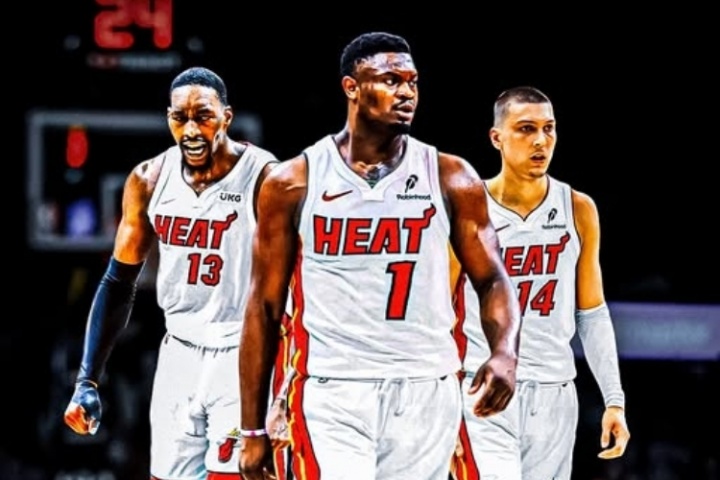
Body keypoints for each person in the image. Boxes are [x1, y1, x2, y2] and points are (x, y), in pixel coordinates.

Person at [237, 31, 522, 480]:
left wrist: (505, 351)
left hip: (428, 384)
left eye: (412, 81)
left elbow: (493, 278)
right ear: (351, 87)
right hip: (332, 388)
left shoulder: (452, 177)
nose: (406, 92)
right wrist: (252, 428)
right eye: (391, 80)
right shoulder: (293, 181)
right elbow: (264, 306)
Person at [63, 66, 279, 480]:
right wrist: (87, 379)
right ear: (168, 118)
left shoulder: (265, 177)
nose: (191, 129)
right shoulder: (148, 180)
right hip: (177, 351)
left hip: (242, 352)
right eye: (180, 117)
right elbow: (118, 281)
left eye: (204, 116)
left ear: (227, 117)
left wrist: (287, 382)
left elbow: (293, 280)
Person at [451, 86, 630, 480]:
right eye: (526, 129)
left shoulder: (578, 208)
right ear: (496, 138)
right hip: (483, 386)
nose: (540, 140)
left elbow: (592, 313)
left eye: (549, 128)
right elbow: (437, 312)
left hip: (556, 394)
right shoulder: (467, 208)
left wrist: (614, 400)